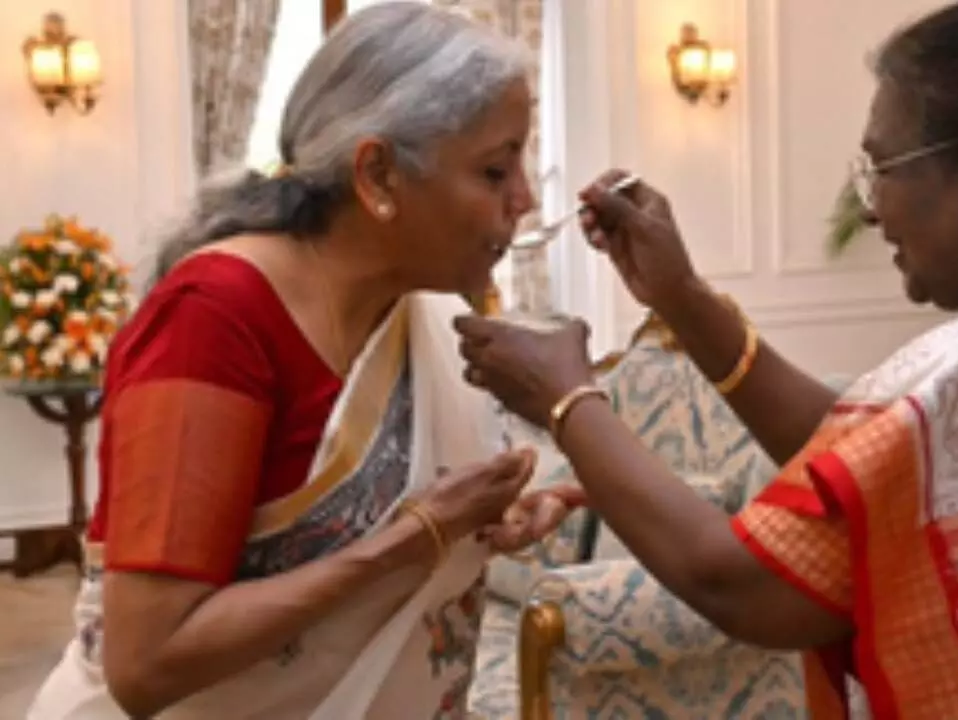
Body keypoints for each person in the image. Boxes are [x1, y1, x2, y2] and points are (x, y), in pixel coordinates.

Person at [453, 1, 958, 717]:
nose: (872, 205)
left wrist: (566, 397)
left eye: (884, 166)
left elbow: (736, 583)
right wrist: (681, 298)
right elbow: (862, 468)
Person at [27, 4, 582, 719]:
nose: (526, 200)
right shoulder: (215, 318)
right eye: (495, 169)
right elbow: (147, 662)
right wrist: (420, 538)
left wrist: (485, 522)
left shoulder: (428, 312)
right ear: (378, 174)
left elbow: (418, 513)